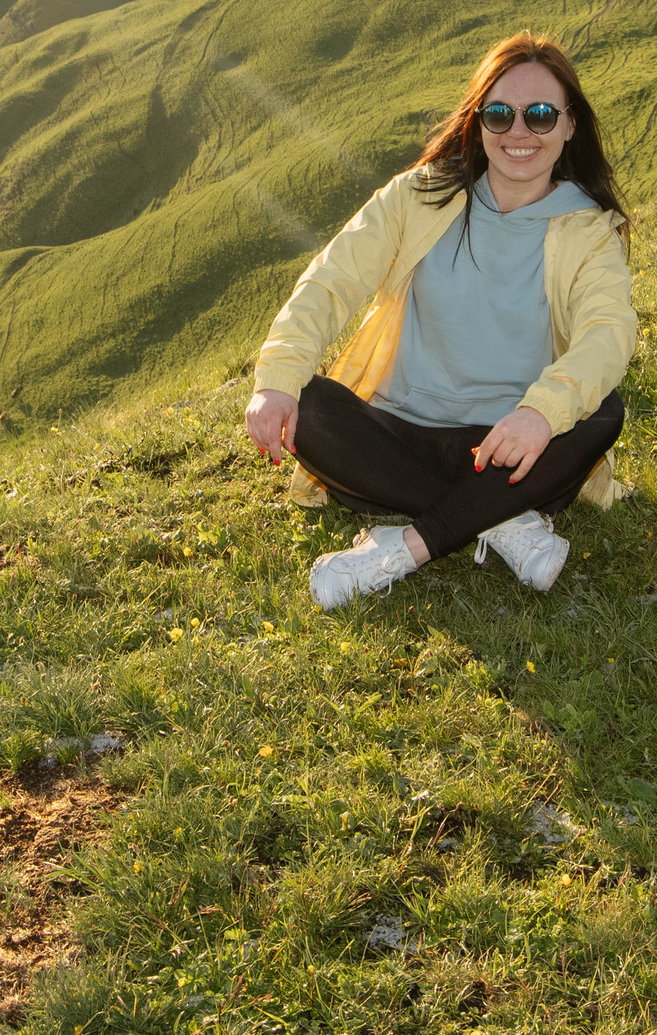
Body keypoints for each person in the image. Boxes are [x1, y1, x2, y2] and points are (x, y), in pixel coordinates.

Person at [245, 32, 636, 610]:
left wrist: (539, 414)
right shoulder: (419, 196)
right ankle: (499, 518)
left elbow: (609, 333)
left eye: (540, 115)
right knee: (305, 403)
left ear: (570, 125)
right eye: (500, 114)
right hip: (402, 434)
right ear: (478, 122)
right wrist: (275, 381)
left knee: (602, 411)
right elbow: (332, 280)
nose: (519, 133)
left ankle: (404, 549)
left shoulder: (590, 231)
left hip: (513, 446)